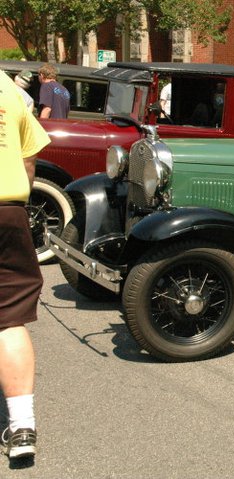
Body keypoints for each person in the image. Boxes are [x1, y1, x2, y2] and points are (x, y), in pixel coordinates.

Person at [0, 69, 51, 460]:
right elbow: (29, 156)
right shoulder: (6, 88)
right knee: (8, 318)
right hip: (7, 209)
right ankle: (22, 427)